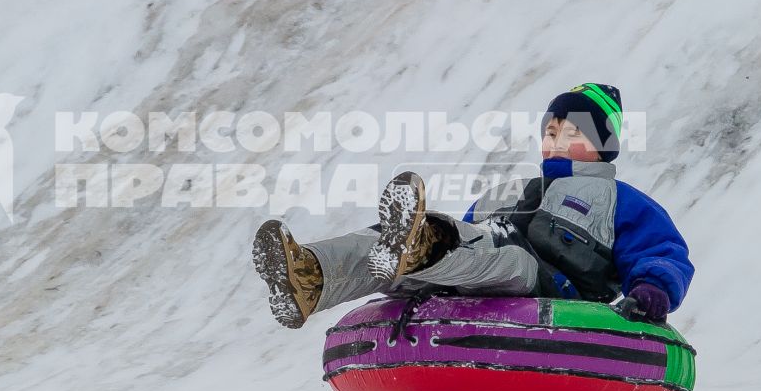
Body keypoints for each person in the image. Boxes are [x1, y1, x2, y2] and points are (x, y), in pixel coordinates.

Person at [251, 83, 693, 328]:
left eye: (571, 132)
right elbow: (472, 232)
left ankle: (420, 243)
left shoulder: (623, 201)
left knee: (499, 257)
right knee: (390, 253)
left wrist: (651, 290)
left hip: (550, 287)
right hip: (475, 269)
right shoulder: (515, 190)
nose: (555, 141)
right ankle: (311, 276)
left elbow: (663, 253)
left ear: (601, 145)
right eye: (551, 132)